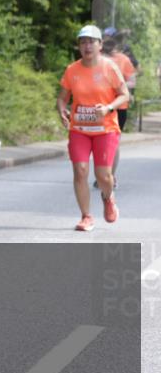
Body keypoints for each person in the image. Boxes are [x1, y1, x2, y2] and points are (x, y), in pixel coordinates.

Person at [56, 25, 129, 232]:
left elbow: (124, 94)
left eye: (91, 42)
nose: (87, 46)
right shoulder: (72, 70)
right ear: (79, 46)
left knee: (103, 176)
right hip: (79, 129)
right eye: (83, 42)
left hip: (105, 129)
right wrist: (62, 110)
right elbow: (62, 98)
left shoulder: (109, 68)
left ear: (100, 45)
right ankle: (86, 216)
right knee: (80, 171)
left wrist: (108, 108)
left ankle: (108, 197)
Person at [99, 37, 137, 189]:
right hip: (98, 106)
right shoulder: (96, 59)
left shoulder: (123, 60)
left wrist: (116, 85)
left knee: (112, 142)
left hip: (118, 108)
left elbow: (132, 82)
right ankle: (103, 175)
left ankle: (110, 176)